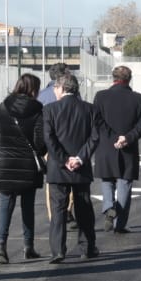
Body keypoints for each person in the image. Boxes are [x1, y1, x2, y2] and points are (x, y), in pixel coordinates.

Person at [0, 72, 47, 265]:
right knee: (28, 207)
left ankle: (1, 247)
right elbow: (39, 141)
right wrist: (38, 153)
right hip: (28, 166)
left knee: (6, 207)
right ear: (33, 89)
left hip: (6, 164)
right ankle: (28, 247)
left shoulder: (3, 106)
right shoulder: (37, 109)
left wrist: (1, 151)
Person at [40, 72, 101, 263]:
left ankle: (58, 250)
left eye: (55, 88)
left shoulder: (49, 110)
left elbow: (49, 139)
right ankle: (87, 247)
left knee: (58, 209)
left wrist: (63, 160)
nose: (55, 92)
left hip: (58, 168)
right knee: (83, 206)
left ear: (62, 88)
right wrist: (80, 158)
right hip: (81, 167)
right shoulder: (90, 109)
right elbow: (95, 137)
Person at [91, 65, 141, 233]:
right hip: (128, 148)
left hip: (106, 146)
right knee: (125, 183)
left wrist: (113, 138)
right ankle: (120, 225)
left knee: (107, 180)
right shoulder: (139, 99)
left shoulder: (101, 97)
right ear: (129, 79)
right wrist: (127, 138)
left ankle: (109, 206)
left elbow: (98, 121)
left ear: (113, 78)